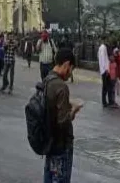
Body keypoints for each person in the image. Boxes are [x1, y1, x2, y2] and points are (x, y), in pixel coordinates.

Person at [44, 50, 81, 183]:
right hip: (61, 146)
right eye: (71, 69)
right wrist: (73, 112)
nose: (70, 73)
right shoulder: (61, 86)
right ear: (66, 64)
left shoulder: (47, 80)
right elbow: (62, 122)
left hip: (50, 144)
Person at [98, 37, 114, 107]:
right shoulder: (103, 47)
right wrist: (106, 69)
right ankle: (104, 102)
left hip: (105, 70)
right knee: (105, 87)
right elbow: (103, 60)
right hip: (105, 70)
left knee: (108, 86)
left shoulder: (103, 47)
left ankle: (108, 101)